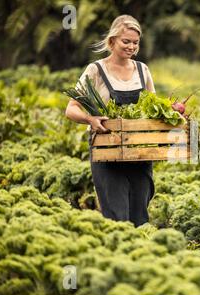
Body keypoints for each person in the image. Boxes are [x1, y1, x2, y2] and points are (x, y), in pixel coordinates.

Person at [65, 15, 155, 227]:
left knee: (139, 216)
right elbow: (71, 108)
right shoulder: (95, 70)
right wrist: (90, 118)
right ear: (112, 40)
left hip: (139, 154)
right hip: (108, 154)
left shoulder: (143, 70)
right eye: (126, 41)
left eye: (135, 42)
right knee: (116, 216)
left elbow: (152, 107)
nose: (131, 46)